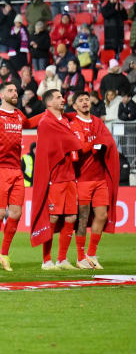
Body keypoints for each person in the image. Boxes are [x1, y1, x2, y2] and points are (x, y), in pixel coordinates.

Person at [0, 84, 36, 272]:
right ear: (1, 94)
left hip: (15, 170)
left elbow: (29, 124)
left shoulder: (19, 115)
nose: (15, 93)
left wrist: (49, 114)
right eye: (11, 91)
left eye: (16, 91)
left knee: (16, 213)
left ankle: (3, 254)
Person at [29, 89, 84, 269]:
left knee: (71, 217)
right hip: (55, 177)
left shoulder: (65, 121)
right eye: (58, 97)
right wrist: (77, 138)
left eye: (62, 96)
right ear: (49, 103)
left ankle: (62, 259)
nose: (63, 99)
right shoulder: (46, 122)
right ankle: (46, 260)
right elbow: (71, 143)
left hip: (70, 176)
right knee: (52, 218)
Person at [69, 92, 120, 269]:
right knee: (83, 218)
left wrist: (102, 144)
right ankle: (80, 257)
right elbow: (80, 148)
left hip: (100, 179)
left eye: (86, 99)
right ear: (74, 106)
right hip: (82, 179)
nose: (85, 102)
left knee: (102, 215)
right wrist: (96, 142)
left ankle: (91, 254)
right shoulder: (74, 124)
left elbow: (109, 142)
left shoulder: (98, 123)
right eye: (80, 100)